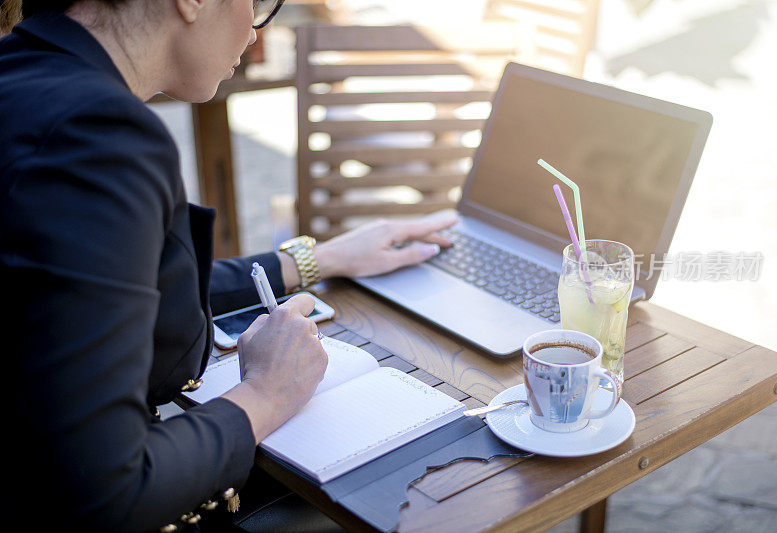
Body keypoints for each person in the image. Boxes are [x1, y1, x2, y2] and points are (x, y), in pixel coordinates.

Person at [0, 1, 457, 530]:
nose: (256, 30)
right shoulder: (94, 136)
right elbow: (106, 489)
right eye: (259, 2)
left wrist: (316, 259)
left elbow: (108, 290)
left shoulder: (24, 77)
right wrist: (265, 394)